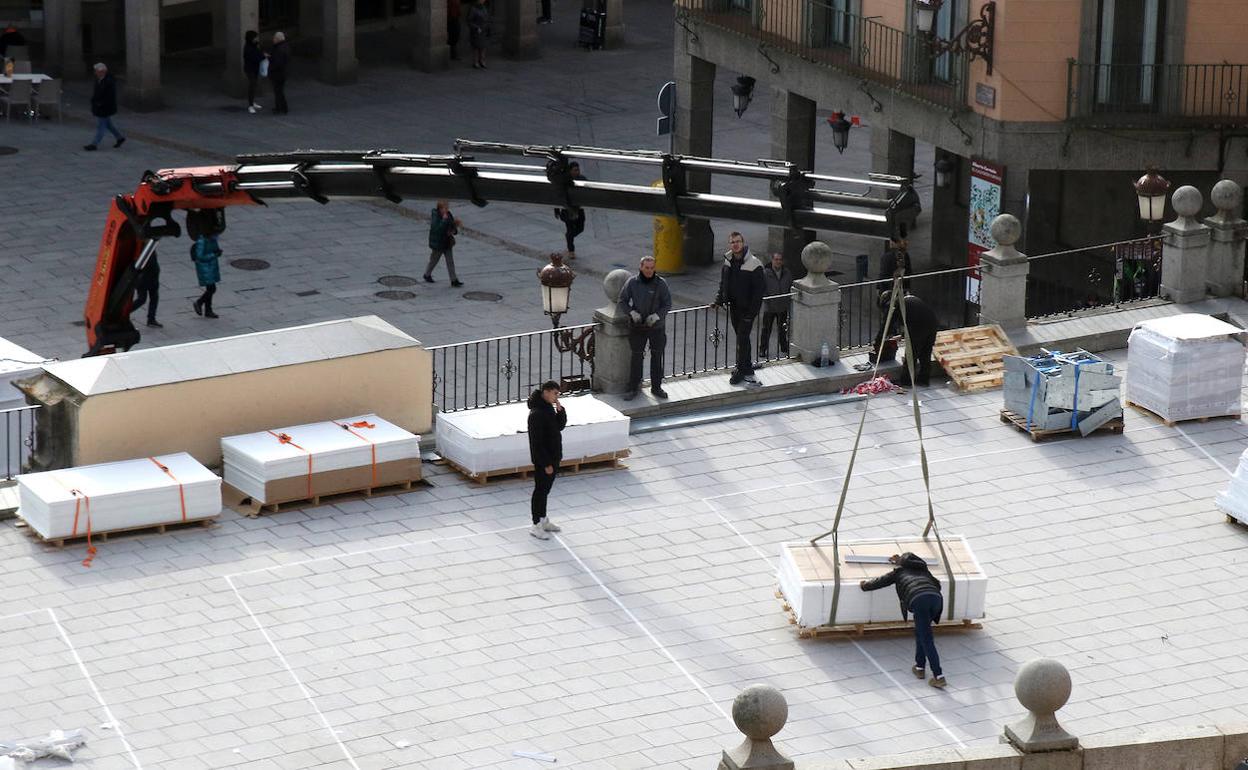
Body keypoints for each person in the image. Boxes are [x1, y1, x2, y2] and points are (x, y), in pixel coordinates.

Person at [859, 553, 947, 689]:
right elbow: (938, 585)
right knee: (921, 633)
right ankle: (919, 667)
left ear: (901, 563)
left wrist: (865, 586)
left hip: (918, 599)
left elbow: (881, 581)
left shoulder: (899, 572)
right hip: (936, 599)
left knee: (927, 638)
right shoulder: (924, 570)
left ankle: (939, 676)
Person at [711, 232, 765, 386]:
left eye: (738, 241)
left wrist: (751, 314)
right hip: (734, 308)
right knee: (743, 338)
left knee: (742, 337)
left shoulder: (754, 264)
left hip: (747, 310)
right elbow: (723, 284)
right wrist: (718, 300)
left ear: (743, 243)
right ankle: (746, 368)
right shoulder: (728, 262)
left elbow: (758, 293)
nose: (735, 244)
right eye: (732, 242)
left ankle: (740, 370)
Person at [618, 256, 672, 401]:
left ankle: (657, 387)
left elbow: (667, 304)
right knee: (636, 357)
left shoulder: (661, 284)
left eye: (652, 268)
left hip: (656, 327)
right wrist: (631, 312)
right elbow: (622, 300)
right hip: (638, 326)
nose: (649, 271)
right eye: (646, 268)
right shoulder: (632, 282)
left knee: (656, 356)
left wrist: (657, 316)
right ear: (641, 267)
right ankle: (633, 387)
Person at [526, 380, 567, 540]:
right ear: (547, 392)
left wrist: (560, 411)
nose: (557, 397)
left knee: (546, 490)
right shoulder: (536, 414)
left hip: (554, 456)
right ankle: (536, 524)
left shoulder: (549, 408)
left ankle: (543, 519)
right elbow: (536, 443)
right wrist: (546, 463)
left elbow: (559, 426)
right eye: (555, 393)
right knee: (540, 491)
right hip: (545, 460)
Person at [876, 289, 939, 387]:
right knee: (925, 353)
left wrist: (878, 342)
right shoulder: (910, 299)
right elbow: (912, 317)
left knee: (911, 354)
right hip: (932, 323)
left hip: (919, 326)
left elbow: (887, 325)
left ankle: (906, 382)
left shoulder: (895, 304)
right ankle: (924, 380)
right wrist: (902, 335)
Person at [84, 63, 125, 152]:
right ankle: (120, 137)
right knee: (108, 125)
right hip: (100, 106)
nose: (95, 73)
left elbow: (109, 96)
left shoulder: (109, 81)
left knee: (101, 126)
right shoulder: (99, 79)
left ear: (103, 72)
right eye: (95, 71)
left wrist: (100, 103)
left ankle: (94, 144)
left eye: (97, 71)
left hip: (105, 107)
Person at [759, 252, 792, 359]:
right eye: (776, 259)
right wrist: (767, 301)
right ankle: (763, 349)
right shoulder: (765, 273)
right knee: (766, 329)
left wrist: (787, 300)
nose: (778, 262)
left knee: (782, 329)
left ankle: (783, 347)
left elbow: (790, 286)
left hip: (782, 306)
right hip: (770, 307)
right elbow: (762, 288)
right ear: (772, 260)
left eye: (780, 260)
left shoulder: (787, 273)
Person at [424, 200, 462, 287]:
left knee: (450, 262)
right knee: (434, 260)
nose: (446, 210)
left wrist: (454, 229)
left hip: (447, 242)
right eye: (444, 208)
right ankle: (427, 274)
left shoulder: (448, 214)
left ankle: (454, 280)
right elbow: (437, 229)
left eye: (447, 208)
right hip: (438, 243)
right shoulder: (435, 216)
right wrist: (444, 220)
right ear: (440, 208)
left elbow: (452, 225)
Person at [555, 162, 586, 260]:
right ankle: (571, 250)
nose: (577, 172)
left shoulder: (582, 179)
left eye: (578, 170)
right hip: (567, 209)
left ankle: (569, 237)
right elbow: (558, 195)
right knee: (570, 228)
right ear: (570, 171)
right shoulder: (564, 181)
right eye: (575, 170)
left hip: (579, 208)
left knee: (580, 228)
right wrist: (556, 209)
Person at [191, 234, 222, 319]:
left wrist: (217, 252)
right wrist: (214, 254)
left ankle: (208, 310)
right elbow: (200, 256)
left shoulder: (212, 238)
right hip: (205, 268)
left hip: (211, 267)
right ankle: (199, 302)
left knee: (210, 289)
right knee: (212, 289)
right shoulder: (202, 241)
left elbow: (214, 249)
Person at [130, 251, 162, 328]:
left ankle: (151, 319)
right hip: (143, 279)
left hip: (153, 277)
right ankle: (123, 313)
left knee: (154, 298)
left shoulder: (151, 247)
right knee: (142, 299)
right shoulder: (142, 250)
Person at [243, 30, 265, 114]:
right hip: (250, 69)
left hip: (254, 69)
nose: (257, 38)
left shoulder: (253, 45)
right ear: (251, 38)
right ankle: (250, 105)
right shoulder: (248, 48)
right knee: (252, 85)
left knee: (254, 85)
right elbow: (255, 58)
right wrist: (262, 56)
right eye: (255, 37)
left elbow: (258, 53)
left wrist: (262, 54)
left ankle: (252, 102)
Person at [268, 31, 290, 114]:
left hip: (278, 73)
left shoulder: (279, 49)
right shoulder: (284, 46)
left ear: (278, 39)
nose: (273, 39)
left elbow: (277, 62)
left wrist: (271, 66)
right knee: (279, 91)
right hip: (282, 73)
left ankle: (282, 108)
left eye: (274, 38)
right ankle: (280, 107)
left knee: (278, 91)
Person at [467, 0, 489, 69]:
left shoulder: (484, 8)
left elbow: (487, 18)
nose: (483, 0)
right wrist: (476, 28)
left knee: (483, 46)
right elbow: (469, 21)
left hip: (483, 30)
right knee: (476, 47)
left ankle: (482, 61)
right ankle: (475, 62)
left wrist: (488, 27)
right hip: (476, 31)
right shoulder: (473, 9)